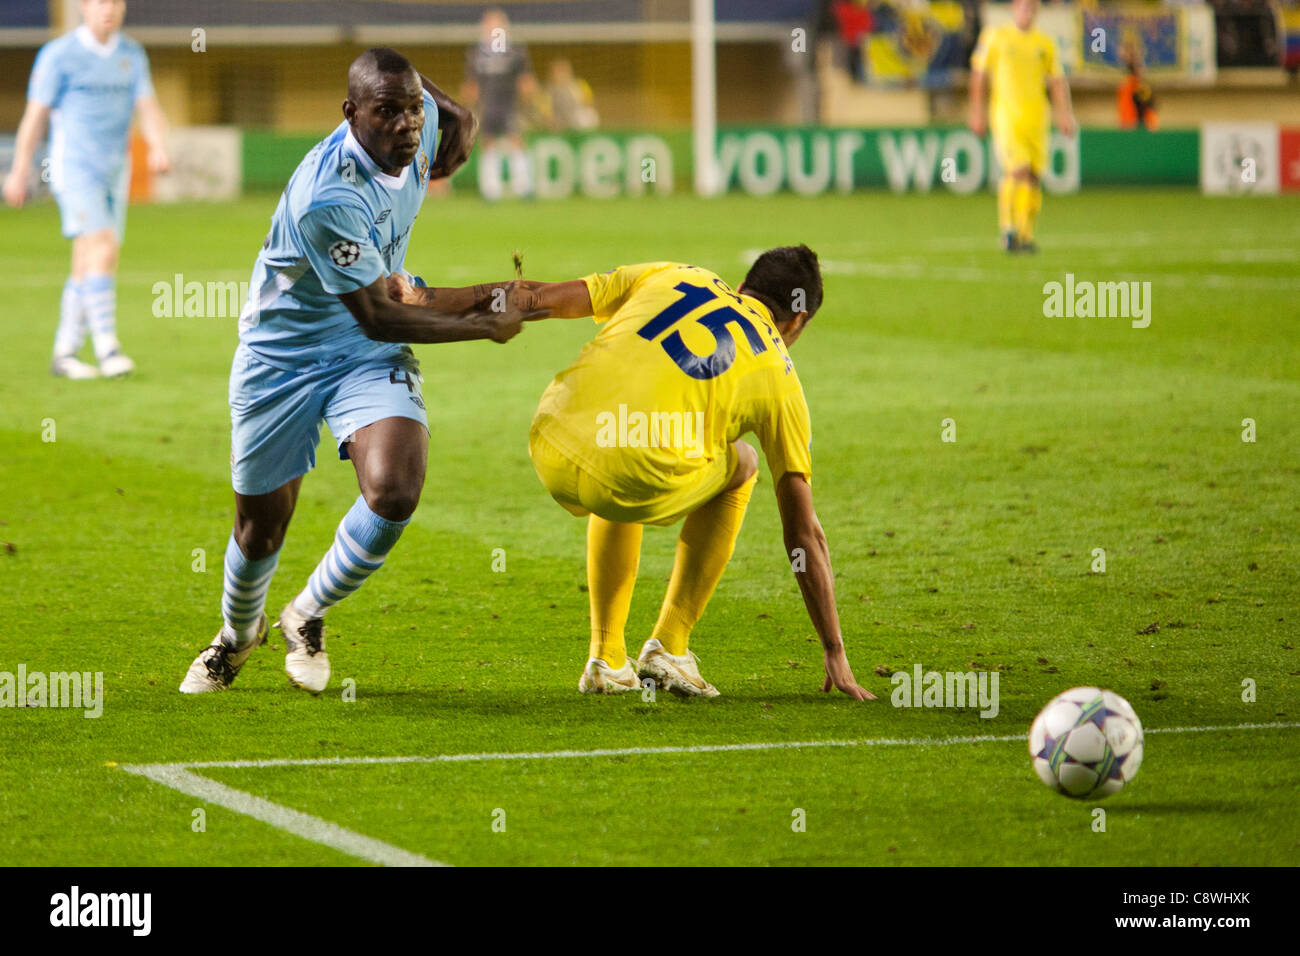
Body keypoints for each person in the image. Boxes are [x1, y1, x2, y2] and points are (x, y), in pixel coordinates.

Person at [179, 48, 535, 695]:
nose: (406, 125)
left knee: (396, 487)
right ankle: (236, 637)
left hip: (361, 352)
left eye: (413, 109)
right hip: (282, 355)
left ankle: (305, 614)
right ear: (351, 114)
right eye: (387, 112)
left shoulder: (421, 126)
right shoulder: (328, 195)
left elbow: (453, 127)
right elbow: (377, 314)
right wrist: (481, 324)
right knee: (260, 529)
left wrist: (458, 121)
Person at [390, 249, 873, 700]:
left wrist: (426, 296)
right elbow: (802, 534)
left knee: (630, 433)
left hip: (552, 438)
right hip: (628, 476)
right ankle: (671, 647)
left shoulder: (677, 274)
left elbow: (538, 296)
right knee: (741, 463)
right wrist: (833, 648)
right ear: (798, 321)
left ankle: (607, 658)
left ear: (744, 283)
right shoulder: (780, 375)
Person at [2, 0, 171, 379]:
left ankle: (64, 352)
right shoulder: (58, 55)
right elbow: (35, 115)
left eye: (115, 1)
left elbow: (147, 107)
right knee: (102, 246)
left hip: (115, 170)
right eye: (99, 2)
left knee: (88, 257)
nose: (108, 8)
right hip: (73, 168)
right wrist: (19, 169)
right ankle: (108, 348)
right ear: (82, 7)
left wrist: (158, 144)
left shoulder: (131, 54)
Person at [968, 0, 1076, 253]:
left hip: (1037, 118)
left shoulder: (1045, 43)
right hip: (1006, 116)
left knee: (1034, 177)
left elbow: (1057, 81)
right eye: (1023, 7)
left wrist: (1064, 114)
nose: (1027, 12)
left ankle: (1025, 236)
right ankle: (1007, 230)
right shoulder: (995, 36)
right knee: (1018, 170)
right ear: (1014, 8)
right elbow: (979, 75)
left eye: (1032, 8)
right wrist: (977, 112)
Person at [462, 8, 536, 199]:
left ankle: (523, 186)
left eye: (496, 24)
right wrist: (470, 101)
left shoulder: (516, 50)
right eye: (489, 24)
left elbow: (525, 81)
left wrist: (529, 96)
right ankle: (491, 189)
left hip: (509, 104)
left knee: (516, 141)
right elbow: (472, 85)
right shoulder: (477, 53)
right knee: (488, 143)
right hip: (488, 106)